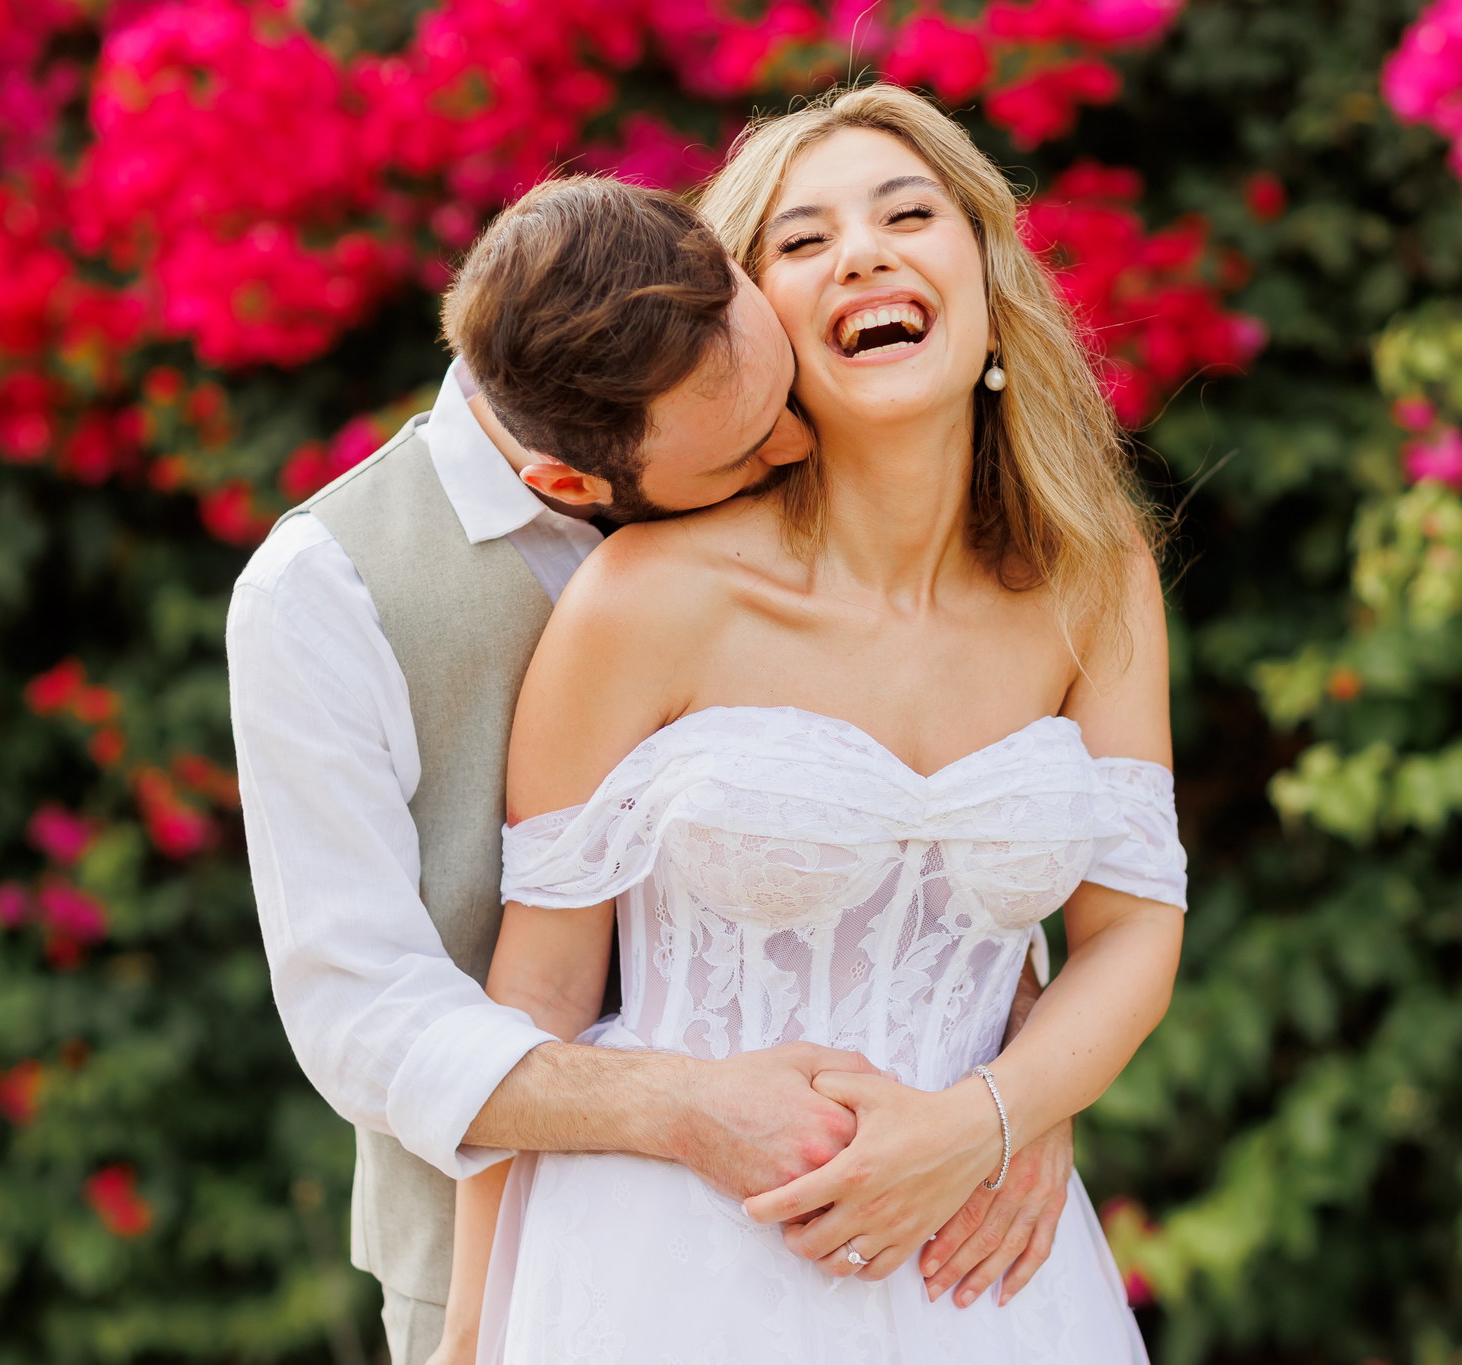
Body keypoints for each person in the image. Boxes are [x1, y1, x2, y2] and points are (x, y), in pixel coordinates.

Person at [226, 176, 1073, 1365]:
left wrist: (1015, 1089)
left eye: (782, 391)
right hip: (524, 1271)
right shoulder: (324, 592)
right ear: (567, 486)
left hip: (894, 1233)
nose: (793, 444)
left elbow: (919, 802)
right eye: (741, 455)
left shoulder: (760, 413)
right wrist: (677, 1109)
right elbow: (357, 1008)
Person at [442, 84, 1188, 1364]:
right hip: (667, 1267)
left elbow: (1130, 927)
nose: (863, 252)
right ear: (756, 330)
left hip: (984, 1267)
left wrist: (991, 1119)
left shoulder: (1090, 569)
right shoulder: (644, 600)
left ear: (988, 280)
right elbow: (541, 991)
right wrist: (468, 1332)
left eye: (909, 214)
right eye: (800, 242)